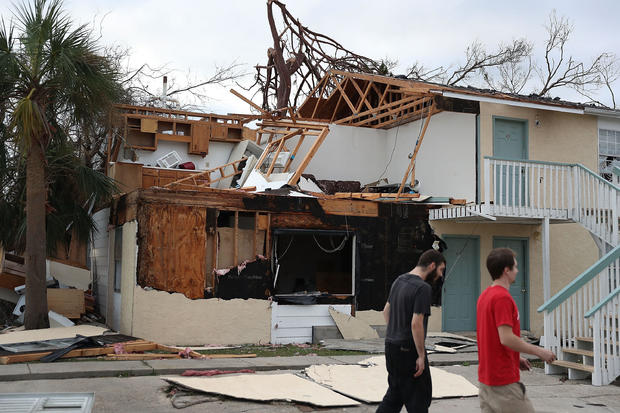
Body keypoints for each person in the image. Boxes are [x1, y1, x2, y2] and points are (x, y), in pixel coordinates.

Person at [477, 248, 556, 413]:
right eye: (515, 267)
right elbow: (506, 338)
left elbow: (493, 337)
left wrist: (515, 357)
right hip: (503, 382)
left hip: (486, 380)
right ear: (506, 270)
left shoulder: (485, 296)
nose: (517, 271)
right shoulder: (502, 298)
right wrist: (539, 352)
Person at [376, 249, 446, 413]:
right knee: (418, 400)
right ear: (432, 265)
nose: (441, 275)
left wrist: (396, 331)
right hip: (408, 350)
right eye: (441, 270)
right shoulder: (423, 288)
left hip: (391, 346)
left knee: (395, 396)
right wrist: (421, 355)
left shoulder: (399, 280)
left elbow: (386, 311)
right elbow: (416, 323)